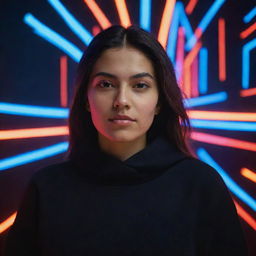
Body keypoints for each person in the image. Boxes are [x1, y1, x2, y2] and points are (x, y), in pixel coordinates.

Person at [4, 25, 248, 256]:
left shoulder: (201, 186)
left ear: (159, 101)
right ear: (86, 99)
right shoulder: (47, 189)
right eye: (106, 84)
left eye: (140, 85)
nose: (121, 100)